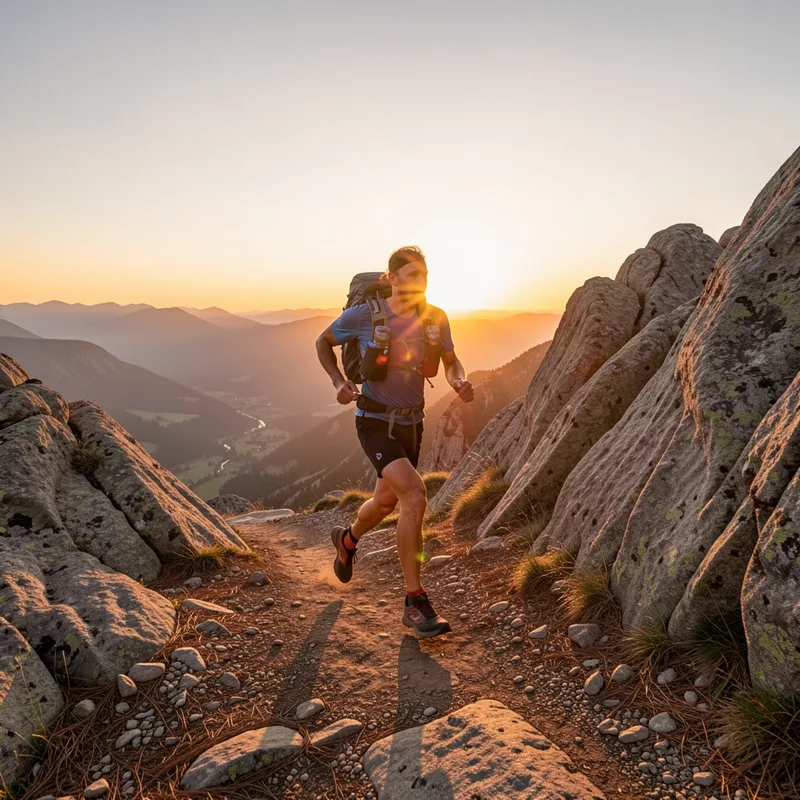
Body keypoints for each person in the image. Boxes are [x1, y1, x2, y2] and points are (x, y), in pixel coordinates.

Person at [315, 246, 474, 638]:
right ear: (392, 278)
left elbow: (451, 359)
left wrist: (457, 380)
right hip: (374, 421)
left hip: (412, 423)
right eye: (412, 275)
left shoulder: (435, 317)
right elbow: (323, 342)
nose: (419, 283)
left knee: (386, 500)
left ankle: (347, 541)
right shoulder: (366, 315)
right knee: (415, 498)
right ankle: (415, 602)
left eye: (424, 275)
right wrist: (339, 382)